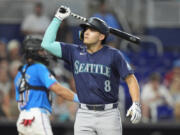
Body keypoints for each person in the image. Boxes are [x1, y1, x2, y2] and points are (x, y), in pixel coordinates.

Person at [42, 6, 141, 135]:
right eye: (85, 29)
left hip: (109, 115)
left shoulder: (114, 55)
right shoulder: (74, 51)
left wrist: (136, 104)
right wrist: (58, 18)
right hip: (84, 114)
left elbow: (131, 79)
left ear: (101, 36)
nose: (86, 32)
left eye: (92, 30)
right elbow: (46, 44)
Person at [14, 35, 79, 135]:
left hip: (22, 119)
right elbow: (58, 89)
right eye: (41, 50)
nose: (44, 53)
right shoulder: (39, 68)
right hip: (37, 116)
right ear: (33, 51)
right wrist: (80, 99)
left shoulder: (20, 73)